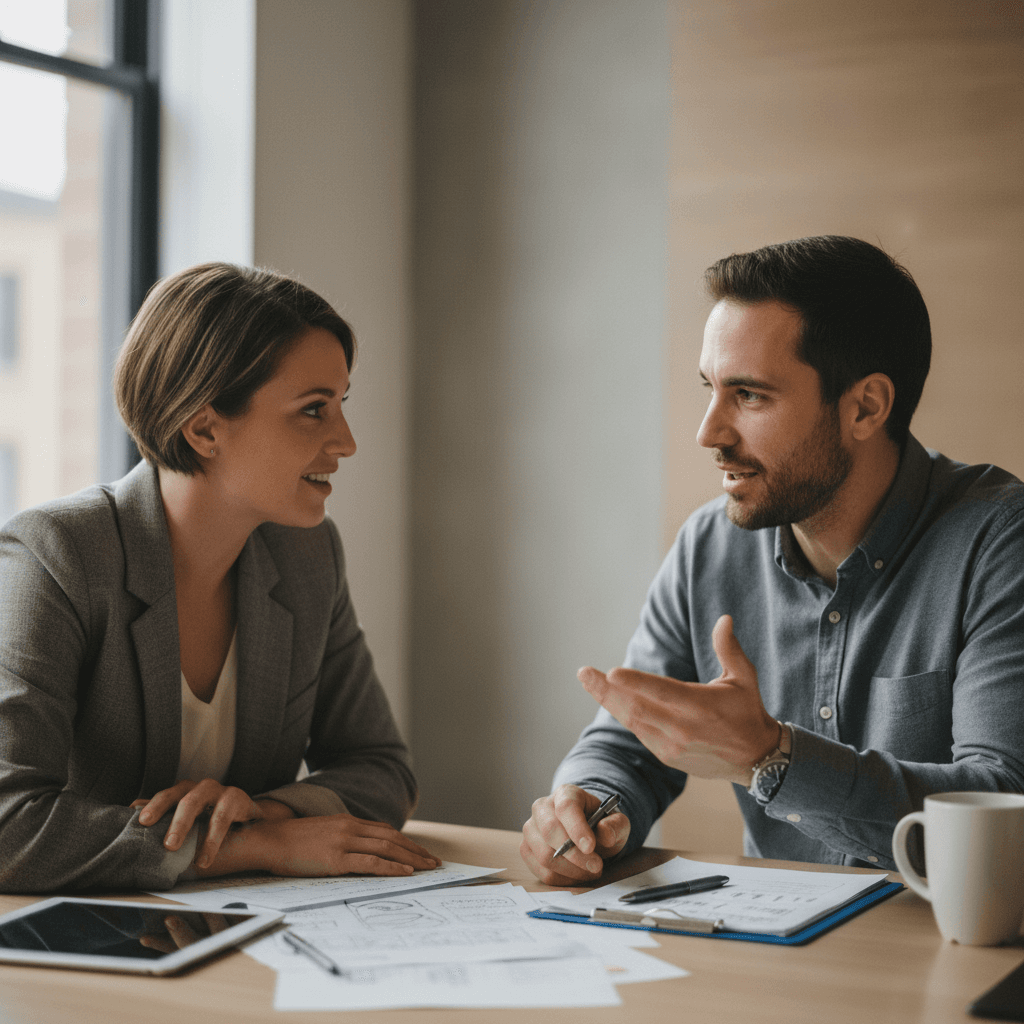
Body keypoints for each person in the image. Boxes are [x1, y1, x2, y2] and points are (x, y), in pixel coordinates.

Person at [521, 235, 1024, 884]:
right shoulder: (710, 547)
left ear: (865, 407)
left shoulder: (999, 541)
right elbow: (630, 743)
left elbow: (1004, 804)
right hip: (782, 952)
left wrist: (772, 755)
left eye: (750, 396)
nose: (709, 433)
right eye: (710, 388)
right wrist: (588, 806)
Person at [0, 262, 438, 893]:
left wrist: (274, 810)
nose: (346, 441)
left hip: (233, 931)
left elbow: (383, 769)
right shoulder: (56, 556)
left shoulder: (308, 556)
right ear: (205, 428)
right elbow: (9, 824)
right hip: (76, 951)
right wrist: (253, 846)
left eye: (342, 404)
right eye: (314, 411)